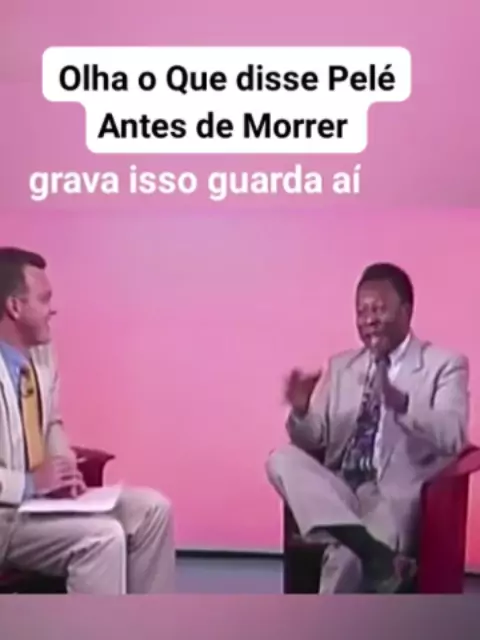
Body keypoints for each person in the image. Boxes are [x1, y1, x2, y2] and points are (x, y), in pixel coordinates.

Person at [266, 262, 469, 593]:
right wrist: (301, 410)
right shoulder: (342, 366)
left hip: (388, 497)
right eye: (361, 312)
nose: (368, 320)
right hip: (339, 488)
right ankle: (376, 553)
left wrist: (404, 406)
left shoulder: (444, 365)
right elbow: (314, 438)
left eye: (378, 309)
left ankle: (362, 553)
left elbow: (453, 435)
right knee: (281, 459)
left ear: (406, 311)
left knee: (345, 560)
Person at [0, 247, 175, 594]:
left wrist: (64, 470)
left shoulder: (42, 352)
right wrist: (31, 483)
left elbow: (51, 422)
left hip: (38, 505)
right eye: (44, 299)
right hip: (6, 512)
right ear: (15, 307)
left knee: (153, 509)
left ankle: (150, 621)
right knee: (101, 538)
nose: (52, 309)